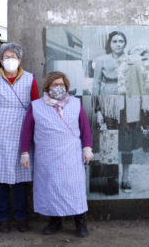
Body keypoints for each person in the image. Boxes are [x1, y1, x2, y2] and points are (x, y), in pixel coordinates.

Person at [20, 71, 93, 237]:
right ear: (47, 87)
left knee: (74, 188)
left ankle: (80, 221)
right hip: (47, 157)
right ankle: (55, 221)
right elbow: (27, 131)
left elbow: (85, 128)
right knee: (51, 189)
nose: (58, 87)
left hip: (71, 156)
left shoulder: (75, 103)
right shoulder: (36, 106)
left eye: (61, 85)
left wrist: (87, 147)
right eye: (54, 85)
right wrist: (25, 152)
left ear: (66, 87)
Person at [0, 42, 39, 233]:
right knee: (0, 177)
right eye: (6, 57)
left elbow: (36, 105)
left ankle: (22, 217)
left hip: (22, 131)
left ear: (20, 59)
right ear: (0, 60)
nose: (10, 60)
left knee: (21, 177)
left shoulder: (29, 79)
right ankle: (3, 217)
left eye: (13, 57)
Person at [93, 31, 127, 95]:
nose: (118, 44)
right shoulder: (101, 60)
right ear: (110, 44)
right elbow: (96, 82)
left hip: (125, 95)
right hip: (106, 94)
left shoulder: (130, 60)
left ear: (125, 44)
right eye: (114, 41)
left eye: (121, 41)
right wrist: (95, 100)